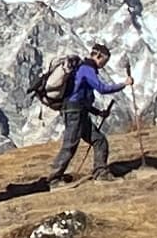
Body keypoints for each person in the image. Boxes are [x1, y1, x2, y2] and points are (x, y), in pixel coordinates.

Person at [45, 45, 126, 183]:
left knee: (99, 140)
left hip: (77, 111)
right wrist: (123, 84)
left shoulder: (82, 68)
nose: (103, 65)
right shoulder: (87, 69)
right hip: (75, 112)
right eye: (104, 62)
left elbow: (81, 97)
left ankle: (100, 172)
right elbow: (101, 88)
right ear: (98, 56)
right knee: (70, 145)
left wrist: (98, 112)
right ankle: (54, 179)